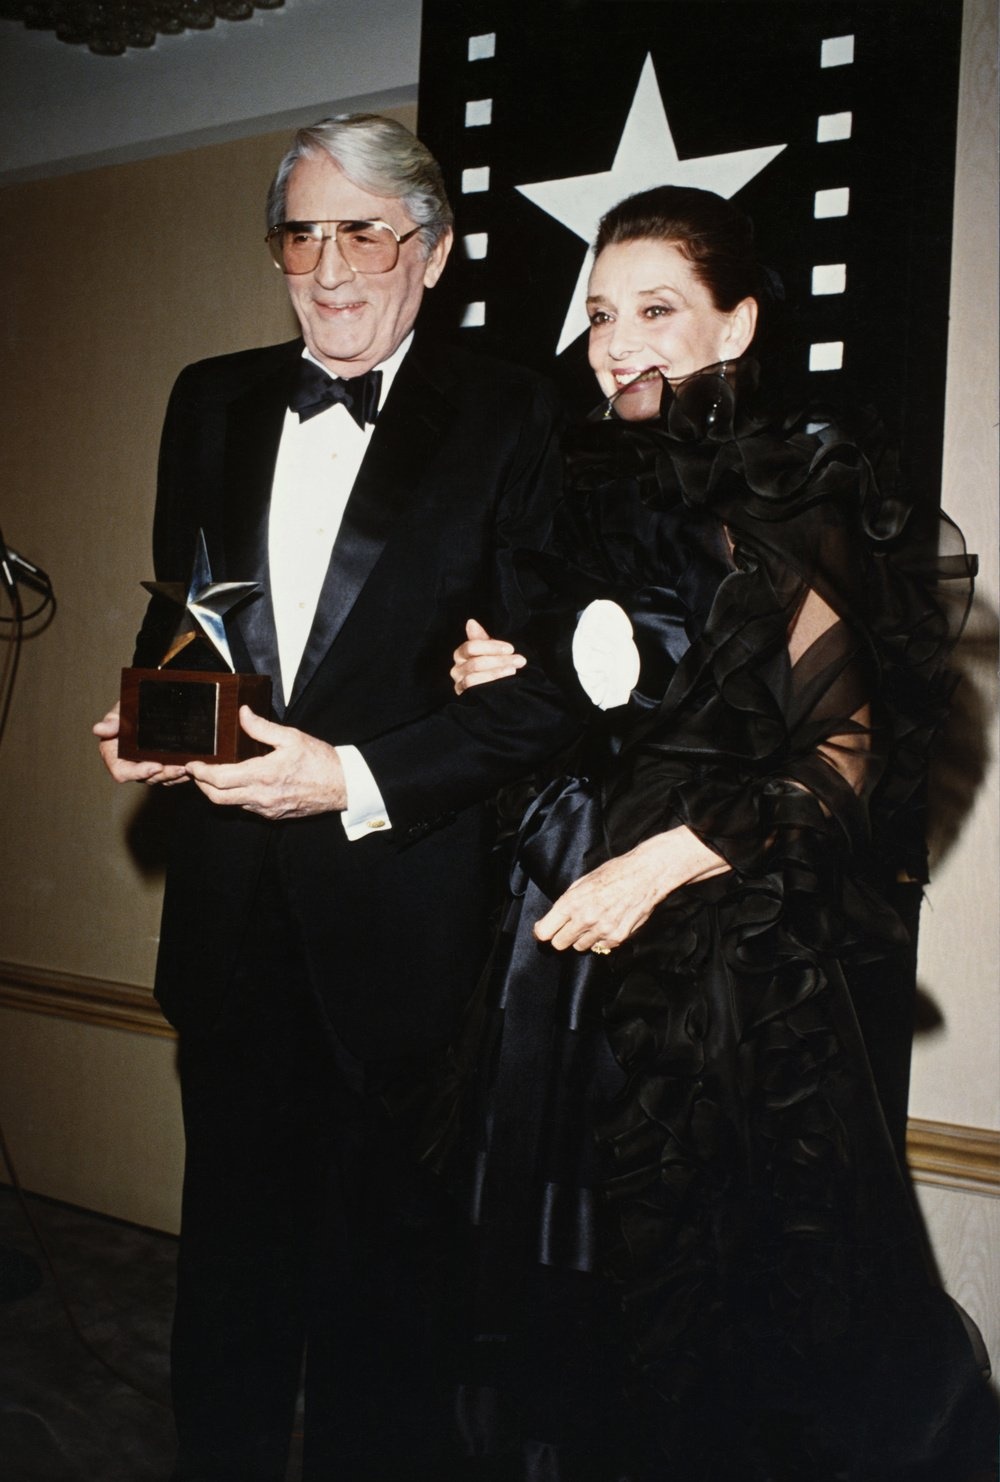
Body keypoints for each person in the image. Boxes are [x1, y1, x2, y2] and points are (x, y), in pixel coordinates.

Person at [443, 186, 996, 1481]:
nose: (616, 342)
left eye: (655, 311)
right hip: (562, 960)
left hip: (716, 975)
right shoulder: (586, 479)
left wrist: (659, 863)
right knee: (559, 1321)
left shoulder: (792, 490)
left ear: (737, 323)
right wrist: (504, 676)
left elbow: (840, 763)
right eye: (597, 315)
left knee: (712, 1334)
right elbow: (616, 696)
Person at [93, 113, 580, 1482]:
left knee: (389, 1327)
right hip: (228, 921)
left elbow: (551, 693)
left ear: (430, 250)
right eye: (301, 233)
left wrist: (353, 776)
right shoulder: (212, 396)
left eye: (364, 231)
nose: (329, 266)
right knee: (227, 1303)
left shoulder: (515, 407)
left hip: (407, 942)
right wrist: (154, 715)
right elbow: (183, 609)